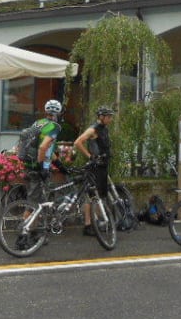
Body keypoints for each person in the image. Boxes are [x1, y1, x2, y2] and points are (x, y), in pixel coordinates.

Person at [74, 106, 115, 236]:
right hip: (95, 167)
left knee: (99, 196)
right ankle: (88, 225)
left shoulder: (104, 128)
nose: (110, 119)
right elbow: (78, 142)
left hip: (103, 166)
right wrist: (90, 156)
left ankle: (96, 222)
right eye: (108, 116)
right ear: (101, 117)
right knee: (92, 196)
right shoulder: (93, 129)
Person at [23, 99, 64, 202]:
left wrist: (59, 165)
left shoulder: (37, 123)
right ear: (58, 113)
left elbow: (47, 149)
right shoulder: (54, 126)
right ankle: (27, 214)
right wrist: (43, 168)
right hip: (38, 167)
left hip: (29, 164)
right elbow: (43, 147)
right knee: (34, 203)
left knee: (37, 201)